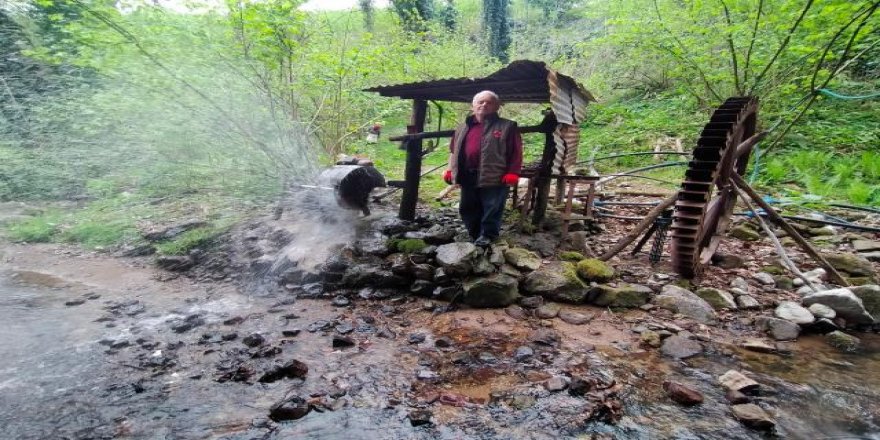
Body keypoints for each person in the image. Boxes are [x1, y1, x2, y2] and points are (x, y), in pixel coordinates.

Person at [443, 90, 522, 247]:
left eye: (489, 102)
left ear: (497, 106)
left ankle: (488, 235)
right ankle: (474, 233)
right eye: (480, 102)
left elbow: (516, 152)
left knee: (492, 207)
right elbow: (453, 151)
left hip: (495, 175)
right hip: (468, 174)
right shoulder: (462, 127)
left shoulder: (507, 126)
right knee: (467, 206)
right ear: (473, 105)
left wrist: (513, 172)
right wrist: (450, 169)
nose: (484, 104)